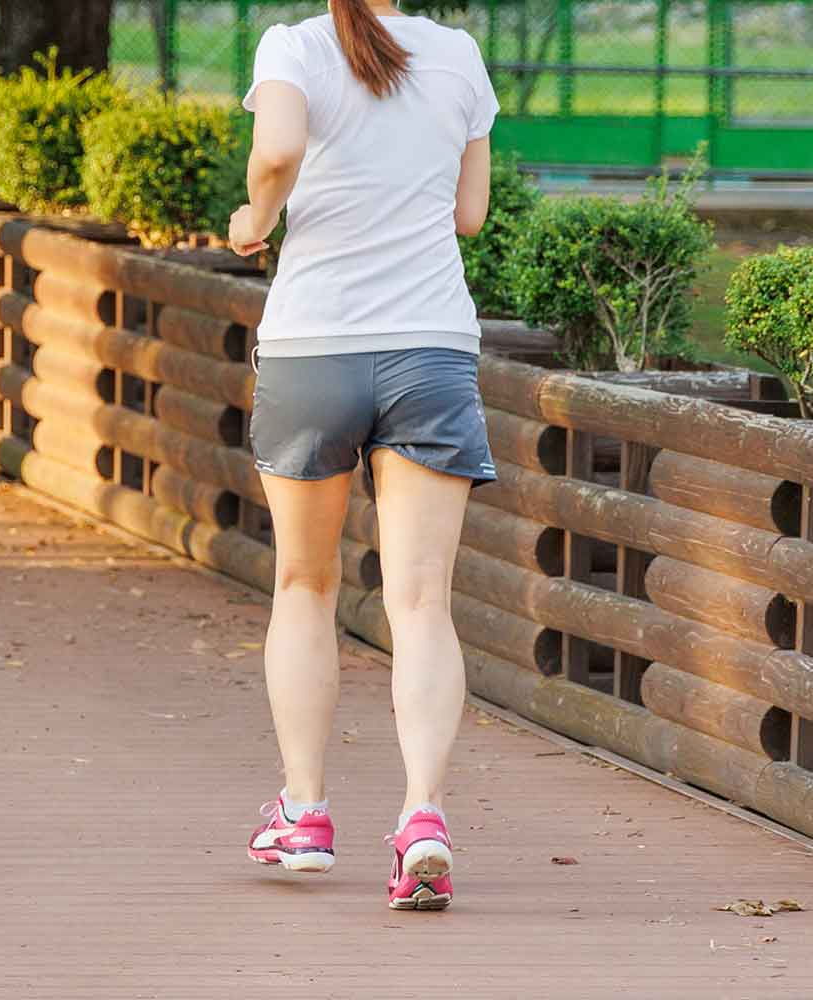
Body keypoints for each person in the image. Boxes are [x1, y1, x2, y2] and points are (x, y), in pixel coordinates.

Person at [229, 0, 499, 911]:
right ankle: (423, 818)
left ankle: (304, 813)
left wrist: (253, 216)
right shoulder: (459, 55)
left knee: (304, 584)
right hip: (430, 347)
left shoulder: (295, 46)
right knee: (421, 600)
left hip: (316, 347)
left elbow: (274, 153)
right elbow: (470, 215)